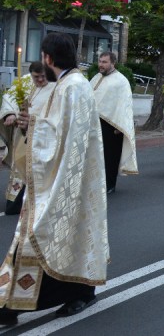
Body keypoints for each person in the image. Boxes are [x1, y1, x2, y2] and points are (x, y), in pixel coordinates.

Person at [0, 33, 107, 325]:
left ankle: (79, 293)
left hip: (68, 180)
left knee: (46, 235)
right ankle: (13, 303)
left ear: (48, 58)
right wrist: (29, 124)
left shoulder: (74, 87)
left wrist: (33, 125)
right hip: (50, 178)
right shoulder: (62, 85)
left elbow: (72, 139)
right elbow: (54, 130)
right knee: (43, 236)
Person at [0, 62, 55, 214]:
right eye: (36, 77)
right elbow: (9, 97)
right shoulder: (25, 82)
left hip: (44, 138)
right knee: (19, 167)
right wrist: (10, 113)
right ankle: (14, 204)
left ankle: (38, 204)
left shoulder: (55, 86)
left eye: (43, 77)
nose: (40, 81)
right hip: (23, 136)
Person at [91, 51, 138, 194]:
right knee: (95, 156)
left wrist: (122, 125)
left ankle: (109, 184)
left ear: (113, 63)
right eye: (100, 61)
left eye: (104, 62)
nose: (101, 65)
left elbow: (125, 105)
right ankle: (96, 183)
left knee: (110, 157)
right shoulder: (96, 78)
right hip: (95, 123)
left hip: (113, 125)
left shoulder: (121, 81)